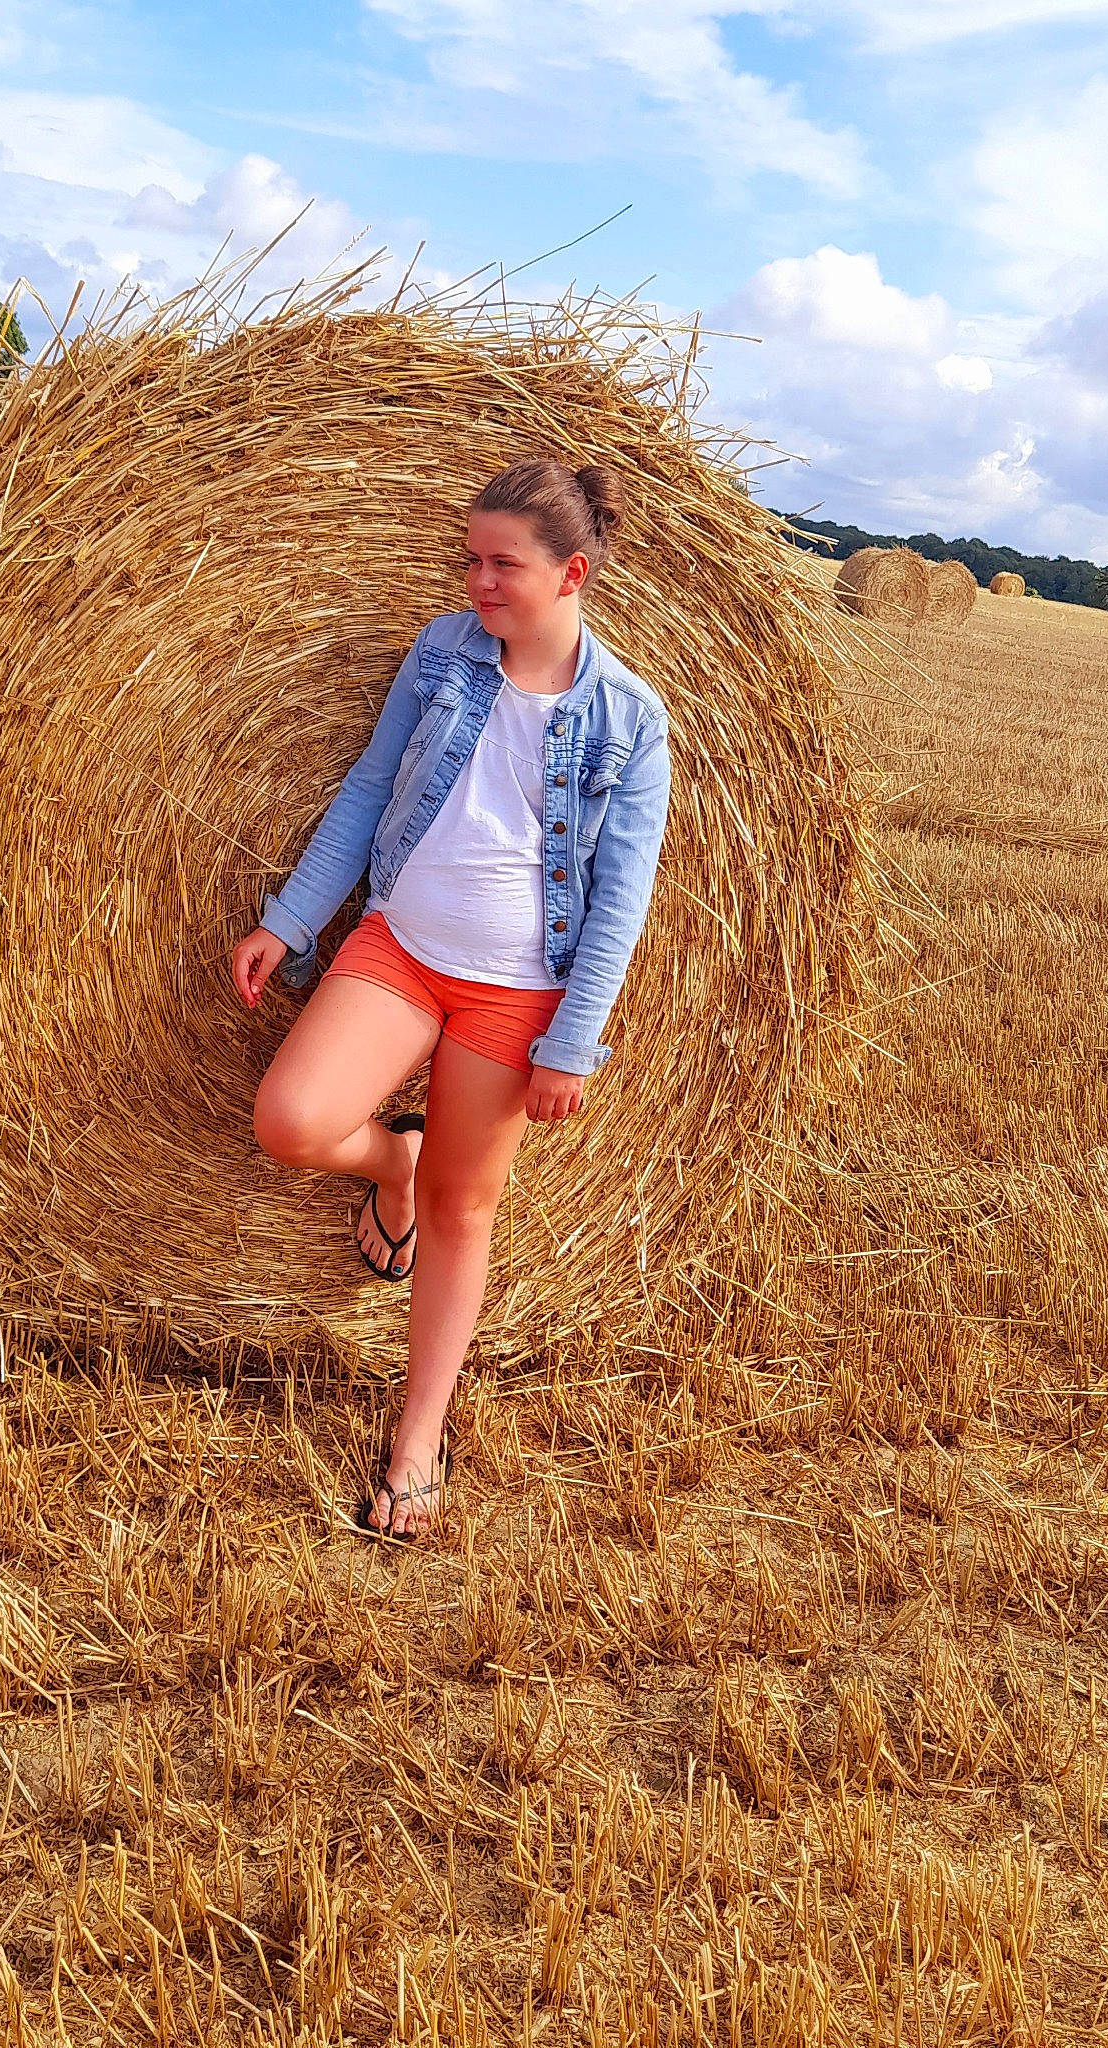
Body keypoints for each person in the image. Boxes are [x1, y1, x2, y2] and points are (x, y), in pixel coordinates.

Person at [230, 458, 671, 1541]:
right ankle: (396, 1160)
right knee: (287, 1119)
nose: (476, 579)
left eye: (500, 563)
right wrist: (291, 918)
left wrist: (574, 1040)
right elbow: (372, 788)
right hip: (401, 943)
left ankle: (418, 1437)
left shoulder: (630, 718)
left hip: (515, 992)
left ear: (571, 573)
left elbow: (622, 896)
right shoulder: (443, 652)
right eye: (468, 557)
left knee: (466, 1213)